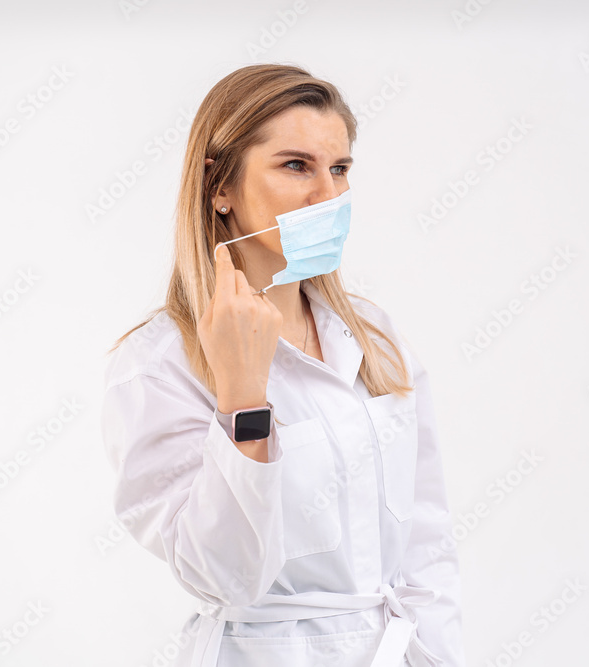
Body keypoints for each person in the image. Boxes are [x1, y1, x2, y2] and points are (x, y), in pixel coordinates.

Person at [100, 63, 465, 667]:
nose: (329, 195)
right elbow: (221, 576)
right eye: (296, 165)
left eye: (340, 168)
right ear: (219, 187)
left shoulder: (372, 337)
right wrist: (242, 396)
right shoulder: (158, 365)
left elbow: (427, 542)